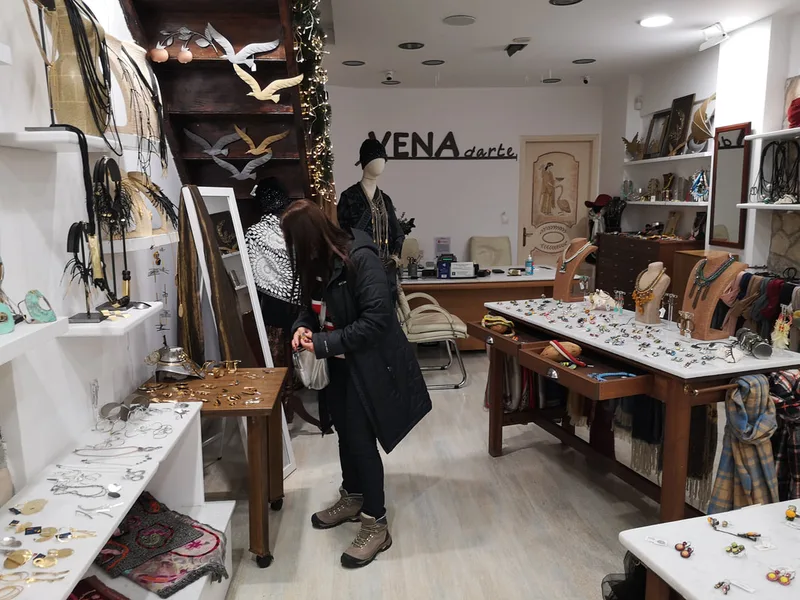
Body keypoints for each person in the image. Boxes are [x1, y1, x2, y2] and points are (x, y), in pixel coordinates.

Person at [283, 200, 432, 569]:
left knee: (362, 442)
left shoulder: (360, 259)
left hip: (370, 365)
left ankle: (376, 523)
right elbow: (308, 308)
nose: (293, 252)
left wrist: (322, 343)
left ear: (311, 238)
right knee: (346, 435)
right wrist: (301, 327)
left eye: (295, 243)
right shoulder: (317, 263)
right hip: (339, 366)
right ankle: (353, 496)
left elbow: (377, 320)